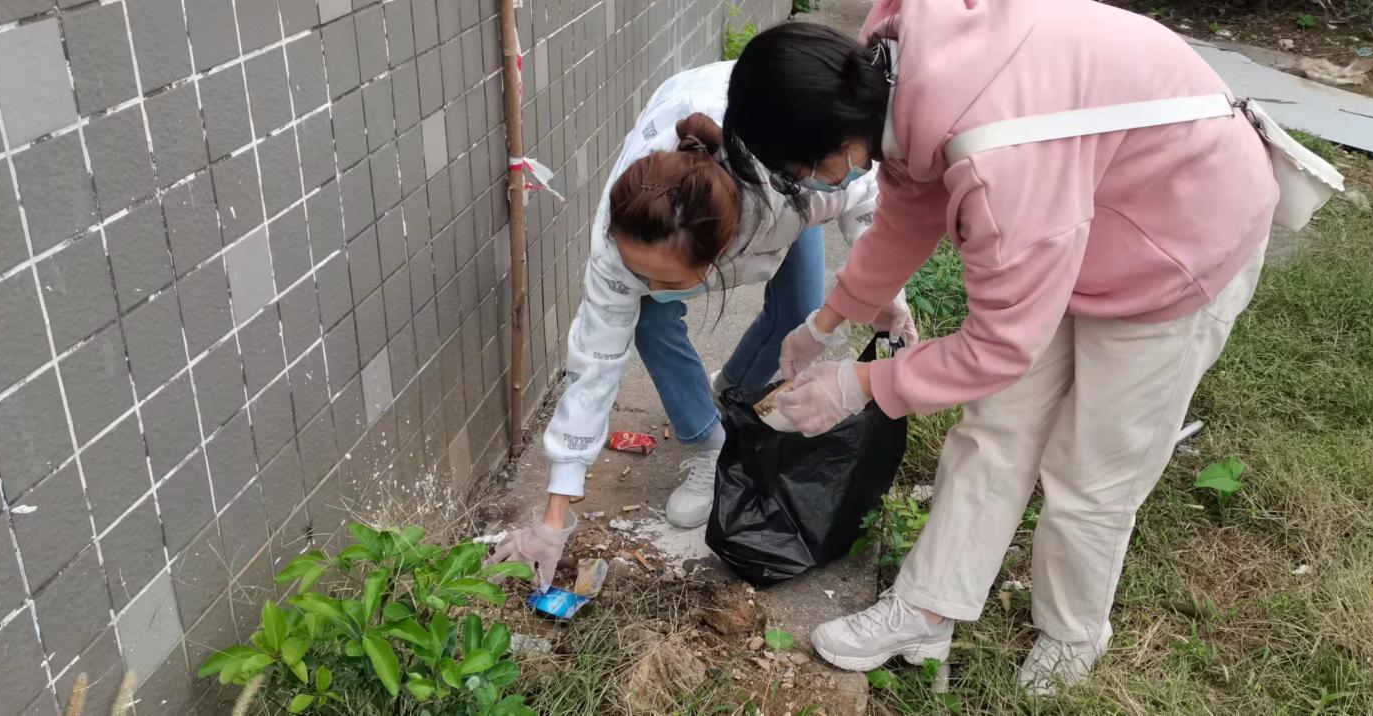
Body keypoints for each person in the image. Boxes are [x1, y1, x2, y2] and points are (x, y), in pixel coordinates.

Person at [722, 0, 1280, 695]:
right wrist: (827, 321)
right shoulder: (891, 76)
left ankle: (1073, 633)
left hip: (1181, 234)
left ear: (836, 145)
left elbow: (997, 349)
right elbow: (908, 210)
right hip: (1078, 208)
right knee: (994, 427)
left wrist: (859, 386)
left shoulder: (997, 166)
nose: (813, 187)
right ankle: (926, 610)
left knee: (1092, 467)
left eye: (804, 173)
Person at [489, 61, 915, 592]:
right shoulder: (621, 242)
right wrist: (554, 517)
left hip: (773, 162)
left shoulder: (801, 187)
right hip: (701, 148)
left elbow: (869, 202)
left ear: (718, 256)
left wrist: (886, 298)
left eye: (667, 280)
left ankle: (732, 397)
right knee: (647, 318)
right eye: (642, 274)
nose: (648, 285)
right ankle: (709, 439)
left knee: (799, 311)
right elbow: (593, 368)